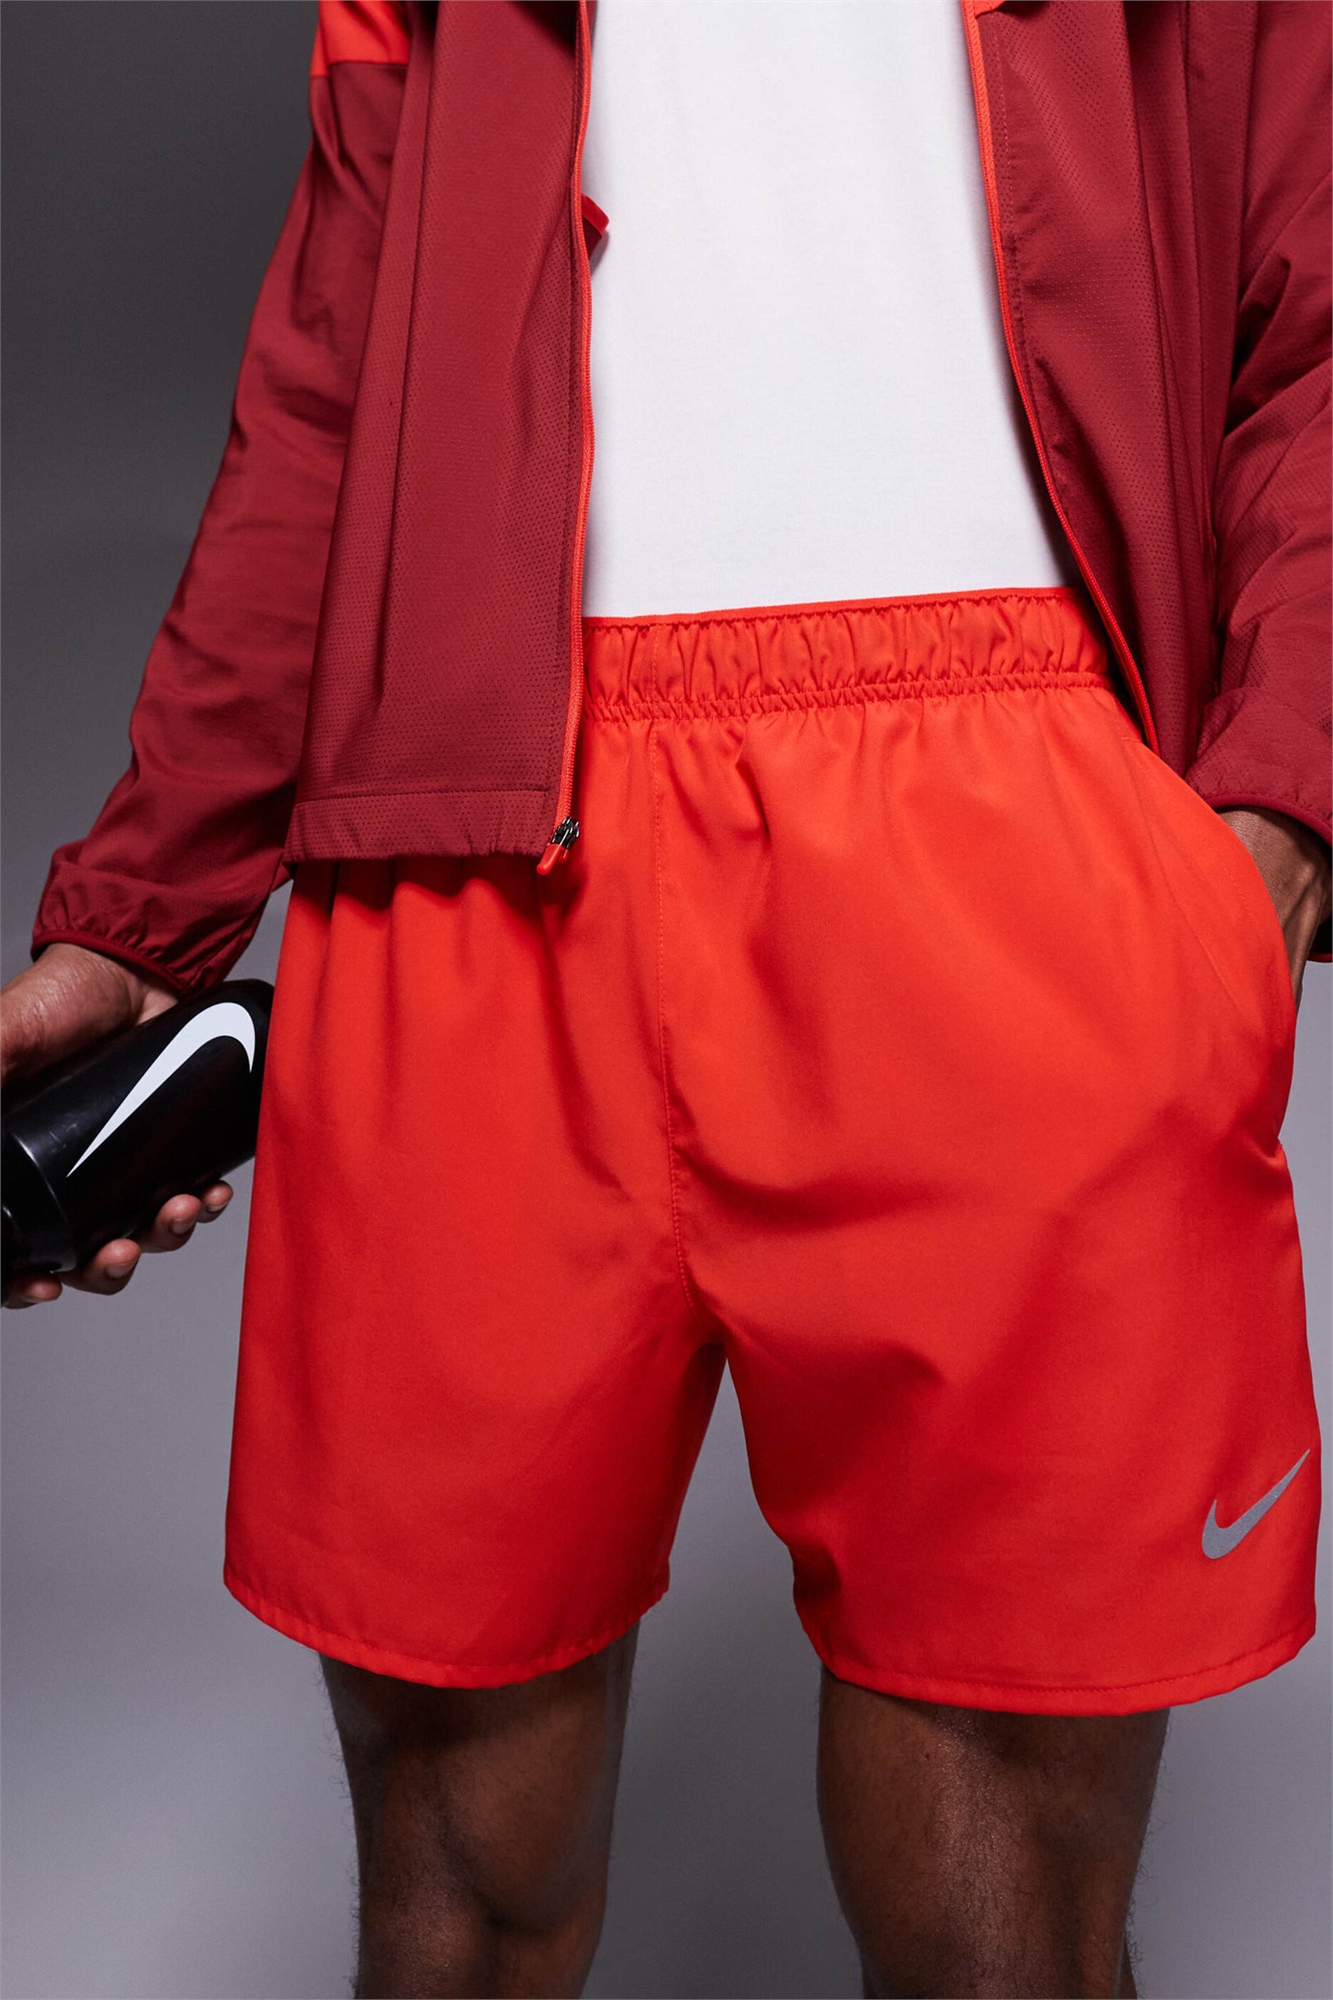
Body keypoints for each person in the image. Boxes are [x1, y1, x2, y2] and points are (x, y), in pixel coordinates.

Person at [3, 2, 1329, 1994]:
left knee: (1006, 1936)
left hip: (1009, 822)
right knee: (454, 1891)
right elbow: (331, 371)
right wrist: (141, 916)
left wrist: (1275, 819)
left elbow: (1317, 307)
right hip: (470, 845)